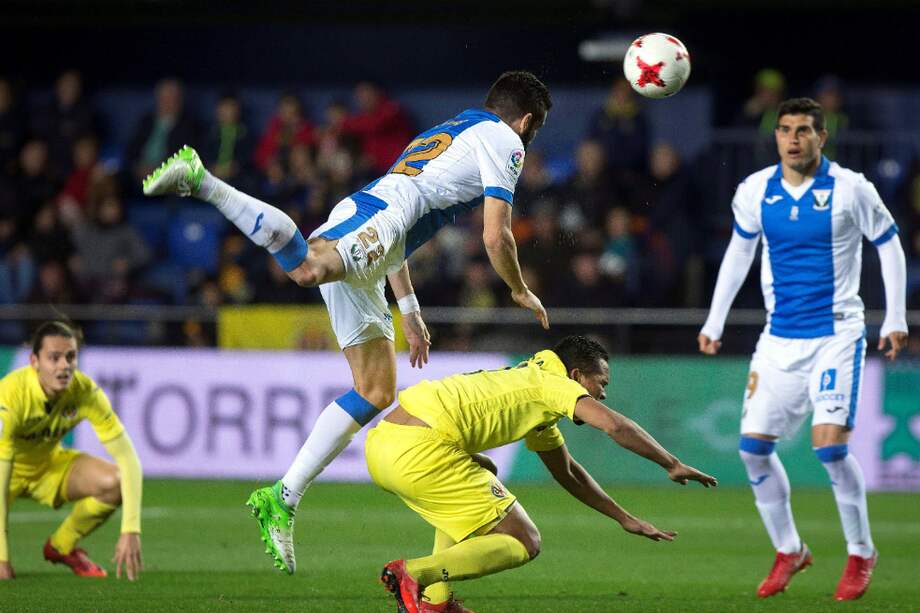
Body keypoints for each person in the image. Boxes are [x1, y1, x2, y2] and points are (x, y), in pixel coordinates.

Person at [142, 70, 552, 574]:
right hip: (376, 219)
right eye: (533, 131)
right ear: (527, 120)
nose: (529, 142)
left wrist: (411, 310)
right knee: (309, 267)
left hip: (379, 227)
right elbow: (497, 237)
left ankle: (281, 498)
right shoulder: (506, 140)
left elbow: (404, 212)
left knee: (375, 388)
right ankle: (201, 181)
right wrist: (517, 287)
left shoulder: (453, 130)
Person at [698, 97, 908, 601]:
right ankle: (790, 549)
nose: (793, 139)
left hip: (836, 333)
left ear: (822, 136)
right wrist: (715, 319)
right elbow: (740, 252)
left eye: (804, 130)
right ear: (776, 137)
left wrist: (895, 316)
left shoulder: (851, 188)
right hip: (779, 337)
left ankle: (861, 552)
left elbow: (890, 244)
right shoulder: (755, 191)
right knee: (752, 451)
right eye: (785, 130)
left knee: (831, 448)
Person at [366, 335, 717, 613]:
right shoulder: (552, 385)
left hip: (383, 446)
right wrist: (670, 463)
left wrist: (624, 518)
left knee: (479, 473)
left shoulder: (529, 385)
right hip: (422, 451)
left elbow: (568, 473)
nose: (603, 393)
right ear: (577, 376)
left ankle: (435, 602)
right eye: (601, 383)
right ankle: (414, 575)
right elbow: (615, 426)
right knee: (524, 540)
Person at [0, 321, 143, 580]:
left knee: (116, 482)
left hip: (48, 467)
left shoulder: (84, 391)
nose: (64, 365)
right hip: (4, 473)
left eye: (70, 356)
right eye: (54, 357)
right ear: (35, 361)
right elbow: (3, 469)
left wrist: (130, 529)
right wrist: (2, 557)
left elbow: (128, 458)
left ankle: (61, 546)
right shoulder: (11, 395)